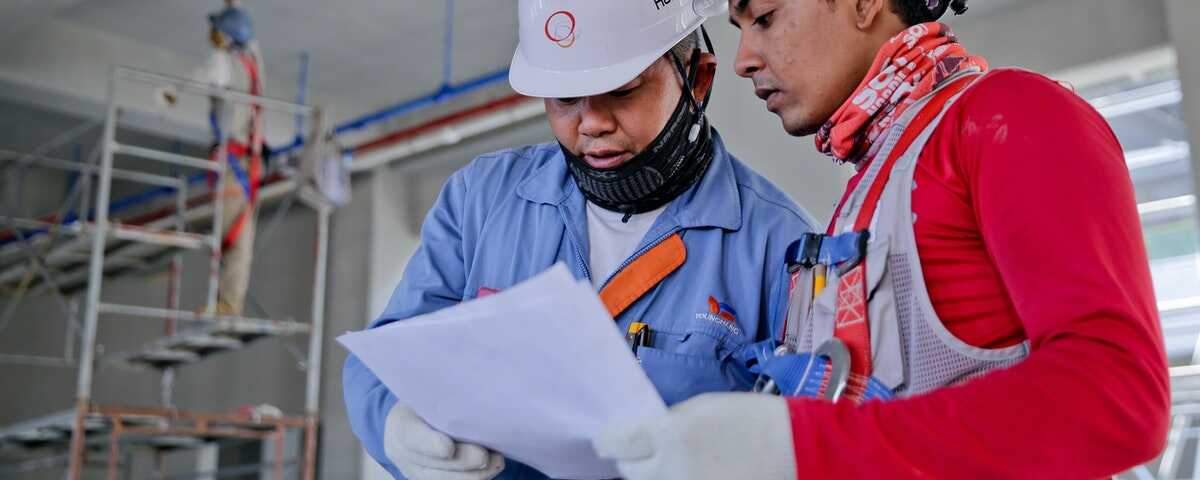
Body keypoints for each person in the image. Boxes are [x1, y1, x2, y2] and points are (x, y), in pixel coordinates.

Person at [593, 0, 1171, 478]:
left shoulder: (1011, 115)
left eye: (764, 17)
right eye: (738, 29)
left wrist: (802, 446)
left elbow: (1117, 396)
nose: (743, 59)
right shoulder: (872, 188)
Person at [343, 0, 816, 478]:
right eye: (565, 98)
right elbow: (392, 352)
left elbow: (814, 435)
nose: (591, 123)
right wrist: (393, 423)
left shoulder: (784, 249)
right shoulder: (479, 201)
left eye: (622, 90)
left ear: (698, 78)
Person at [198, 0, 265, 315]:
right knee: (240, 236)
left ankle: (224, 303)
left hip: (232, 163)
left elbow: (198, 79)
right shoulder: (252, 66)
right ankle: (229, 301)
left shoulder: (224, 65)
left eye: (216, 31)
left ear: (226, 36)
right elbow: (251, 39)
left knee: (226, 236)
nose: (211, 35)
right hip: (248, 162)